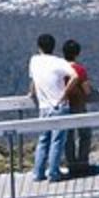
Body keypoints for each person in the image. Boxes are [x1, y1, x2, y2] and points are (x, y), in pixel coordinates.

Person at [29, 34, 80, 182]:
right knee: (57, 141)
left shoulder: (34, 61)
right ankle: (53, 173)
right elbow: (75, 76)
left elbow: (33, 80)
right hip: (60, 106)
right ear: (53, 47)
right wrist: (65, 94)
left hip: (44, 106)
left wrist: (32, 93)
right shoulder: (59, 62)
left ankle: (38, 173)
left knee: (43, 139)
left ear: (39, 47)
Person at [62, 39, 93, 178]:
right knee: (84, 135)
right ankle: (82, 164)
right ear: (77, 54)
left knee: (68, 138)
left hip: (64, 107)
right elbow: (87, 90)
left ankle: (71, 165)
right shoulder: (79, 70)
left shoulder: (59, 69)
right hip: (79, 106)